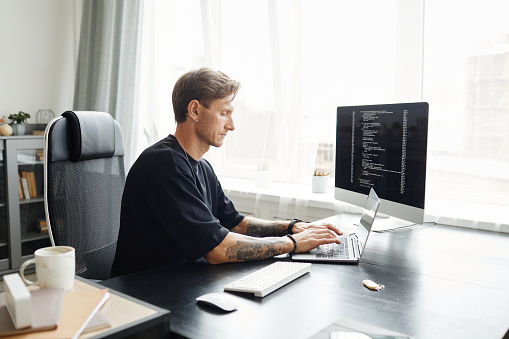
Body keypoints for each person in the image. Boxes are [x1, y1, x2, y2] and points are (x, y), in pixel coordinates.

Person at [111, 67, 342, 277]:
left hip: (178, 284)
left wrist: (293, 227)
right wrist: (292, 243)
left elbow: (236, 224)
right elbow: (217, 250)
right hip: (144, 296)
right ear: (194, 110)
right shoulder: (164, 164)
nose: (231, 125)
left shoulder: (201, 166)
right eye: (224, 113)